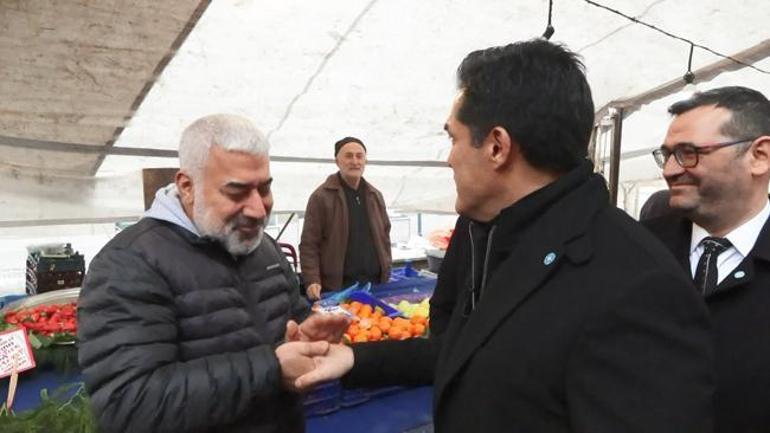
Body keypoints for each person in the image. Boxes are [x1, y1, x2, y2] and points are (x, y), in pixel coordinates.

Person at [292, 39, 714, 433]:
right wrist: (352, 357)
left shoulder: (637, 286)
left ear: (497, 146)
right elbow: (470, 353)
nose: (450, 159)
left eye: (453, 138)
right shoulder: (495, 235)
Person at [77, 114, 347, 433]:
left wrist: (308, 335)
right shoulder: (129, 264)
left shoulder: (265, 249)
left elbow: (292, 317)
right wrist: (271, 369)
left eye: (264, 189)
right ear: (187, 187)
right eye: (237, 192)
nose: (259, 209)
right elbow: (128, 405)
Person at [643, 86, 770, 433]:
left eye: (688, 153)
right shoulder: (637, 250)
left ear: (760, 155)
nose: (670, 170)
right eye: (666, 155)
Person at [299, 136, 391, 300]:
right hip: (337, 289)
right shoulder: (321, 197)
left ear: (365, 161)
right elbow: (309, 244)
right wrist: (312, 279)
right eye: (348, 156)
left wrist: (386, 268)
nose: (355, 161)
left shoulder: (375, 196)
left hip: (375, 286)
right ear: (337, 161)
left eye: (359, 156)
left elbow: (385, 236)